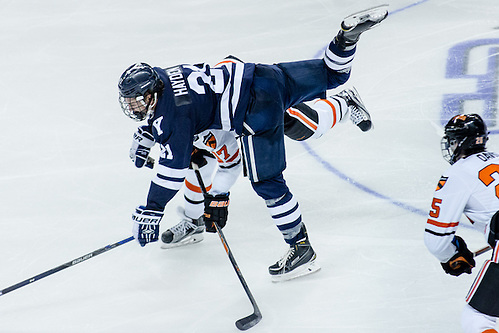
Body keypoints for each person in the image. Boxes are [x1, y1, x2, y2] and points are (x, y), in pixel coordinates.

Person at [120, 5, 388, 282]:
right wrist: (148, 133)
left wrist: (159, 209)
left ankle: (301, 249)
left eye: (137, 100)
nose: (133, 106)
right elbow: (173, 119)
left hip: (254, 108)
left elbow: (183, 169)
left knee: (267, 182)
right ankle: (345, 45)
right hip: (258, 75)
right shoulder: (163, 81)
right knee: (331, 78)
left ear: (152, 93)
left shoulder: (185, 124)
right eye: (129, 101)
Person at [424, 113, 499, 333]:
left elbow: (436, 241)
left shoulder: (456, 174)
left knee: (478, 319)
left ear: (460, 143)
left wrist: (452, 255)